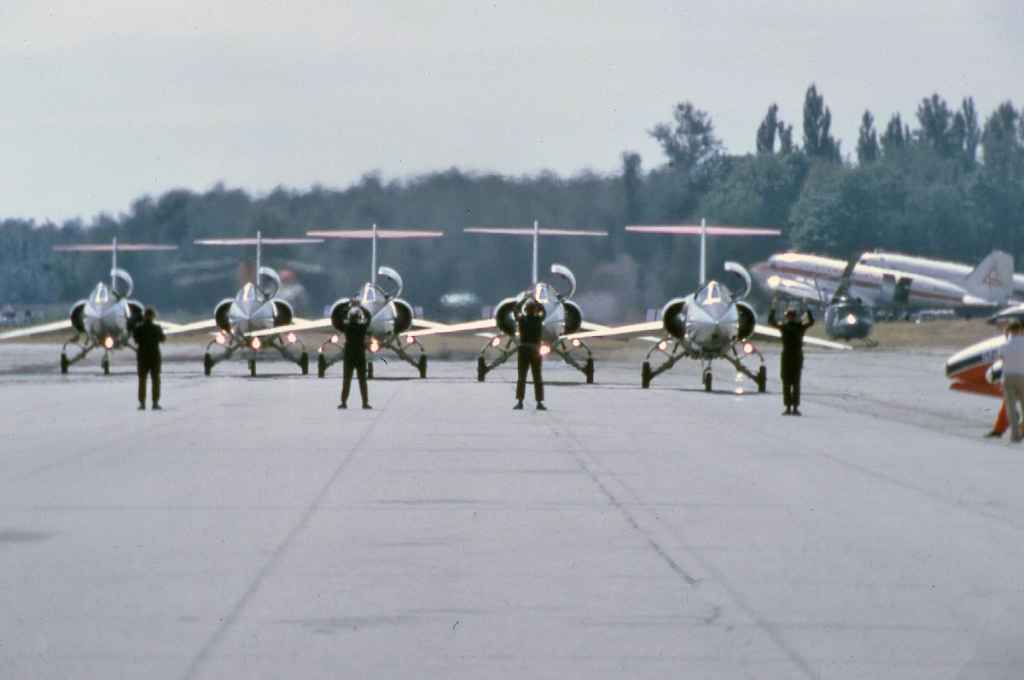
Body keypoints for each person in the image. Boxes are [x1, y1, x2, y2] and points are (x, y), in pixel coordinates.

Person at [768, 302, 814, 416]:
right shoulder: (797, 327)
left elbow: (771, 322)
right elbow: (771, 322)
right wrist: (808, 310)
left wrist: (773, 309)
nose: (791, 317)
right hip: (792, 356)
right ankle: (790, 407)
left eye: (792, 315)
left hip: (792, 357)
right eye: (790, 315)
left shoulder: (790, 327)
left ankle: (792, 407)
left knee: (793, 383)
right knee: (789, 383)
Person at [514, 299, 546, 411]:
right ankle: (539, 403)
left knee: (521, 377)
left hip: (523, 350)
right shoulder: (538, 320)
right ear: (535, 310)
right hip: (535, 351)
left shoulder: (522, 320)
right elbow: (544, 311)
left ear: (526, 310)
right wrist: (538, 302)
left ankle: (520, 402)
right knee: (537, 377)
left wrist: (522, 300)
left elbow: (515, 311)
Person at [132, 307, 165, 410]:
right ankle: (155, 403)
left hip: (142, 357)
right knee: (156, 380)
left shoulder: (138, 328)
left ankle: (142, 403)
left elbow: (136, 340)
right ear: (153, 316)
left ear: (144, 316)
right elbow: (163, 339)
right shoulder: (157, 328)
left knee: (142, 381)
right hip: (154, 357)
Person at [339, 306, 371, 410]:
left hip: (349, 357)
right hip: (360, 356)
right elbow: (369, 316)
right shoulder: (362, 328)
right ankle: (365, 403)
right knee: (362, 381)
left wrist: (349, 305)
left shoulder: (347, 327)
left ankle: (343, 402)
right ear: (358, 317)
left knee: (346, 380)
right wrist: (361, 306)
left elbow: (341, 316)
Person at [1000, 321, 1024, 442]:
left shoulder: (1005, 345)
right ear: (1020, 329)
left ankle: (1015, 435)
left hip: (1008, 376)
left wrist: (1005, 337)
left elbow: (1002, 360)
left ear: (1009, 331)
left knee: (1011, 407)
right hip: (1022, 376)